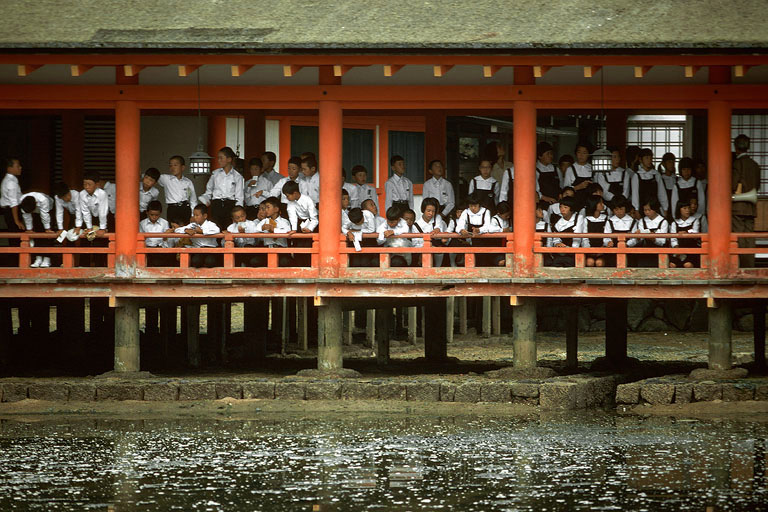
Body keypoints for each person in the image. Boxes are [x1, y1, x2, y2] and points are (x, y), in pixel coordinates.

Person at [732, 134, 761, 268]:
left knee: (738, 236)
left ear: (736, 147)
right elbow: (758, 185)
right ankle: (750, 265)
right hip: (750, 207)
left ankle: (741, 266)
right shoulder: (755, 165)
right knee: (749, 237)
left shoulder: (737, 163)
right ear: (748, 147)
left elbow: (732, 185)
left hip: (738, 206)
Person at [199, 146, 244, 231]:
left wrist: (238, 212)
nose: (218, 160)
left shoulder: (237, 176)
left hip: (230, 205)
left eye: (221, 158)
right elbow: (209, 191)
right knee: (216, 228)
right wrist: (205, 201)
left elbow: (239, 196)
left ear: (229, 159)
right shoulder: (215, 174)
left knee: (229, 229)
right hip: (216, 204)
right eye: (218, 158)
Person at [79, 172, 109, 267]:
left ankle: (100, 265)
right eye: (85, 184)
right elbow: (85, 211)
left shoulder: (102, 194)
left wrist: (102, 228)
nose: (87, 187)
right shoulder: (82, 194)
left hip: (102, 219)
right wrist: (89, 227)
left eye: (89, 184)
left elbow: (102, 211)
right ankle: (84, 265)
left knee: (100, 242)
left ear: (97, 185)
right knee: (85, 239)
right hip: (89, 218)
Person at [546, 196, 585, 267]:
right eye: (560, 207)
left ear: (572, 208)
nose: (562, 210)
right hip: (562, 252)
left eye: (565, 207)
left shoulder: (579, 218)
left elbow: (577, 236)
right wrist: (557, 243)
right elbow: (555, 237)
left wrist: (571, 250)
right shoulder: (558, 223)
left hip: (576, 251)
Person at [158, 155, 197, 225]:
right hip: (173, 209)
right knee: (173, 231)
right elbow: (153, 176)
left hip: (185, 208)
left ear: (182, 167)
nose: (172, 168)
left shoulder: (188, 182)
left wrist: (193, 215)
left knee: (186, 230)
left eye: (175, 165)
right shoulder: (165, 179)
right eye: (170, 165)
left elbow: (193, 200)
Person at [254, 197, 293, 267]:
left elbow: (287, 232)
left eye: (268, 207)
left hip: (281, 250)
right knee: (255, 261)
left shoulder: (284, 221)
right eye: (265, 208)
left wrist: (274, 230)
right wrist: (262, 228)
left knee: (285, 262)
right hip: (267, 249)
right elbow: (254, 229)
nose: (266, 210)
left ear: (276, 209)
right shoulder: (264, 221)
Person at [631, 198, 669, 268]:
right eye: (645, 210)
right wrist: (638, 236)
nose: (647, 212)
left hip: (659, 251)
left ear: (655, 209)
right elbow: (640, 238)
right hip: (644, 250)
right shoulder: (642, 221)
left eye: (649, 210)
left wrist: (654, 239)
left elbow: (663, 241)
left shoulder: (663, 222)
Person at [19, 192, 54, 268]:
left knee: (48, 236)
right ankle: (38, 258)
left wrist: (47, 228)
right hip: (35, 214)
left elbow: (45, 215)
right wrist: (29, 229)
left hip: (48, 210)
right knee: (36, 234)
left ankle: (47, 259)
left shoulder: (43, 199)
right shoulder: (22, 200)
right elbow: (26, 215)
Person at [631, 148, 668, 216]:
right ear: (640, 160)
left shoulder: (656, 174)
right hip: (642, 209)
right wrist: (636, 209)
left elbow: (661, 193)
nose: (649, 160)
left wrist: (665, 208)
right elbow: (635, 195)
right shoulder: (637, 176)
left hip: (655, 208)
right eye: (646, 158)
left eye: (650, 158)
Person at [183, 203, 221, 268]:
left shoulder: (211, 224)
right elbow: (177, 230)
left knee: (210, 262)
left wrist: (202, 231)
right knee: (196, 261)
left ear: (205, 216)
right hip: (198, 250)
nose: (195, 217)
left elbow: (217, 230)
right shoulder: (192, 225)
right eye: (194, 215)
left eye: (197, 215)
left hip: (210, 250)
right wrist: (186, 230)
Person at [603, 195, 636, 267]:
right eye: (616, 210)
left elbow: (635, 238)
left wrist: (627, 245)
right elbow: (606, 237)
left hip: (629, 252)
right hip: (613, 252)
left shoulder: (632, 221)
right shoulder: (610, 221)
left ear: (625, 208)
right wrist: (608, 242)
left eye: (621, 209)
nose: (619, 212)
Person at [670, 200, 701, 268]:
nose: (687, 210)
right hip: (678, 249)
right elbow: (673, 239)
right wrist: (677, 249)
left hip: (692, 249)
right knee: (672, 265)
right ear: (679, 210)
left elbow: (695, 232)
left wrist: (686, 233)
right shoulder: (674, 223)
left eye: (688, 208)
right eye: (685, 208)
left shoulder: (695, 220)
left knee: (688, 265)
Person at [140, 200, 172, 267]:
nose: (154, 217)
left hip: (160, 249)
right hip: (147, 250)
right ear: (147, 212)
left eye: (156, 215)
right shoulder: (142, 223)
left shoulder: (164, 223)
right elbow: (140, 239)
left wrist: (165, 237)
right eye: (152, 215)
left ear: (160, 213)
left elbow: (167, 240)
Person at [582, 195, 608, 267]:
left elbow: (607, 235)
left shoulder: (606, 219)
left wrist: (603, 248)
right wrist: (589, 249)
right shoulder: (586, 220)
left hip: (603, 249)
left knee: (599, 263)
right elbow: (584, 237)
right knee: (589, 262)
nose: (603, 205)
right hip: (589, 250)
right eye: (600, 203)